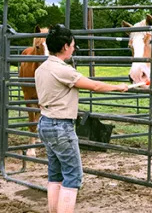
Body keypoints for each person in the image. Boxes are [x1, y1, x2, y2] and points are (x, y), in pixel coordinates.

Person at [35, 24, 128, 213]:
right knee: (73, 176)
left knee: (55, 173)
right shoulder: (63, 70)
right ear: (64, 47)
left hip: (45, 122)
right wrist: (118, 87)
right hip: (60, 126)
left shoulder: (41, 69)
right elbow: (93, 85)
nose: (74, 48)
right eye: (72, 45)